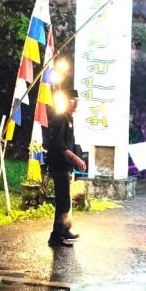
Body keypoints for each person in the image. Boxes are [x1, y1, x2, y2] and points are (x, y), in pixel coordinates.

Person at [43, 89, 86, 247]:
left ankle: (65, 229)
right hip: (58, 164)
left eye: (78, 101)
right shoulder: (61, 119)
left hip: (65, 165)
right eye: (74, 101)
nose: (76, 104)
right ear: (67, 102)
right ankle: (55, 236)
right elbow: (59, 144)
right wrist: (75, 158)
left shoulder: (69, 119)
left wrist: (76, 158)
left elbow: (69, 143)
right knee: (62, 200)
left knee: (66, 199)